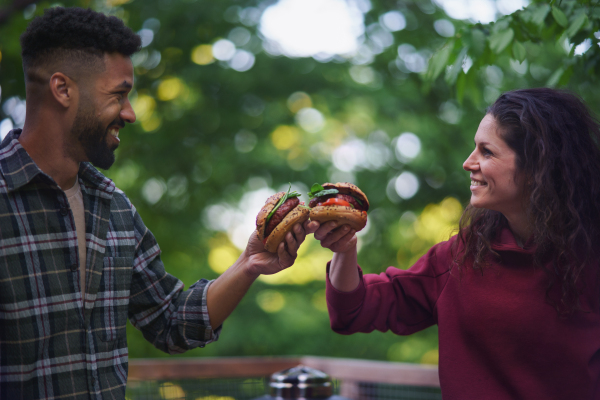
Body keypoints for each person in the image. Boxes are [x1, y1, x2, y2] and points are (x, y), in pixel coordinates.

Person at [0, 7, 314, 399]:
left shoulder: (113, 207)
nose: (129, 113)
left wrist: (250, 263)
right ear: (62, 90)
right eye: (119, 95)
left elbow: (172, 323)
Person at [312, 88, 600, 399]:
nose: (468, 162)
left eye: (486, 152)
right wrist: (344, 249)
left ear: (536, 169)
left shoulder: (590, 260)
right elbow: (356, 310)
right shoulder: (462, 256)